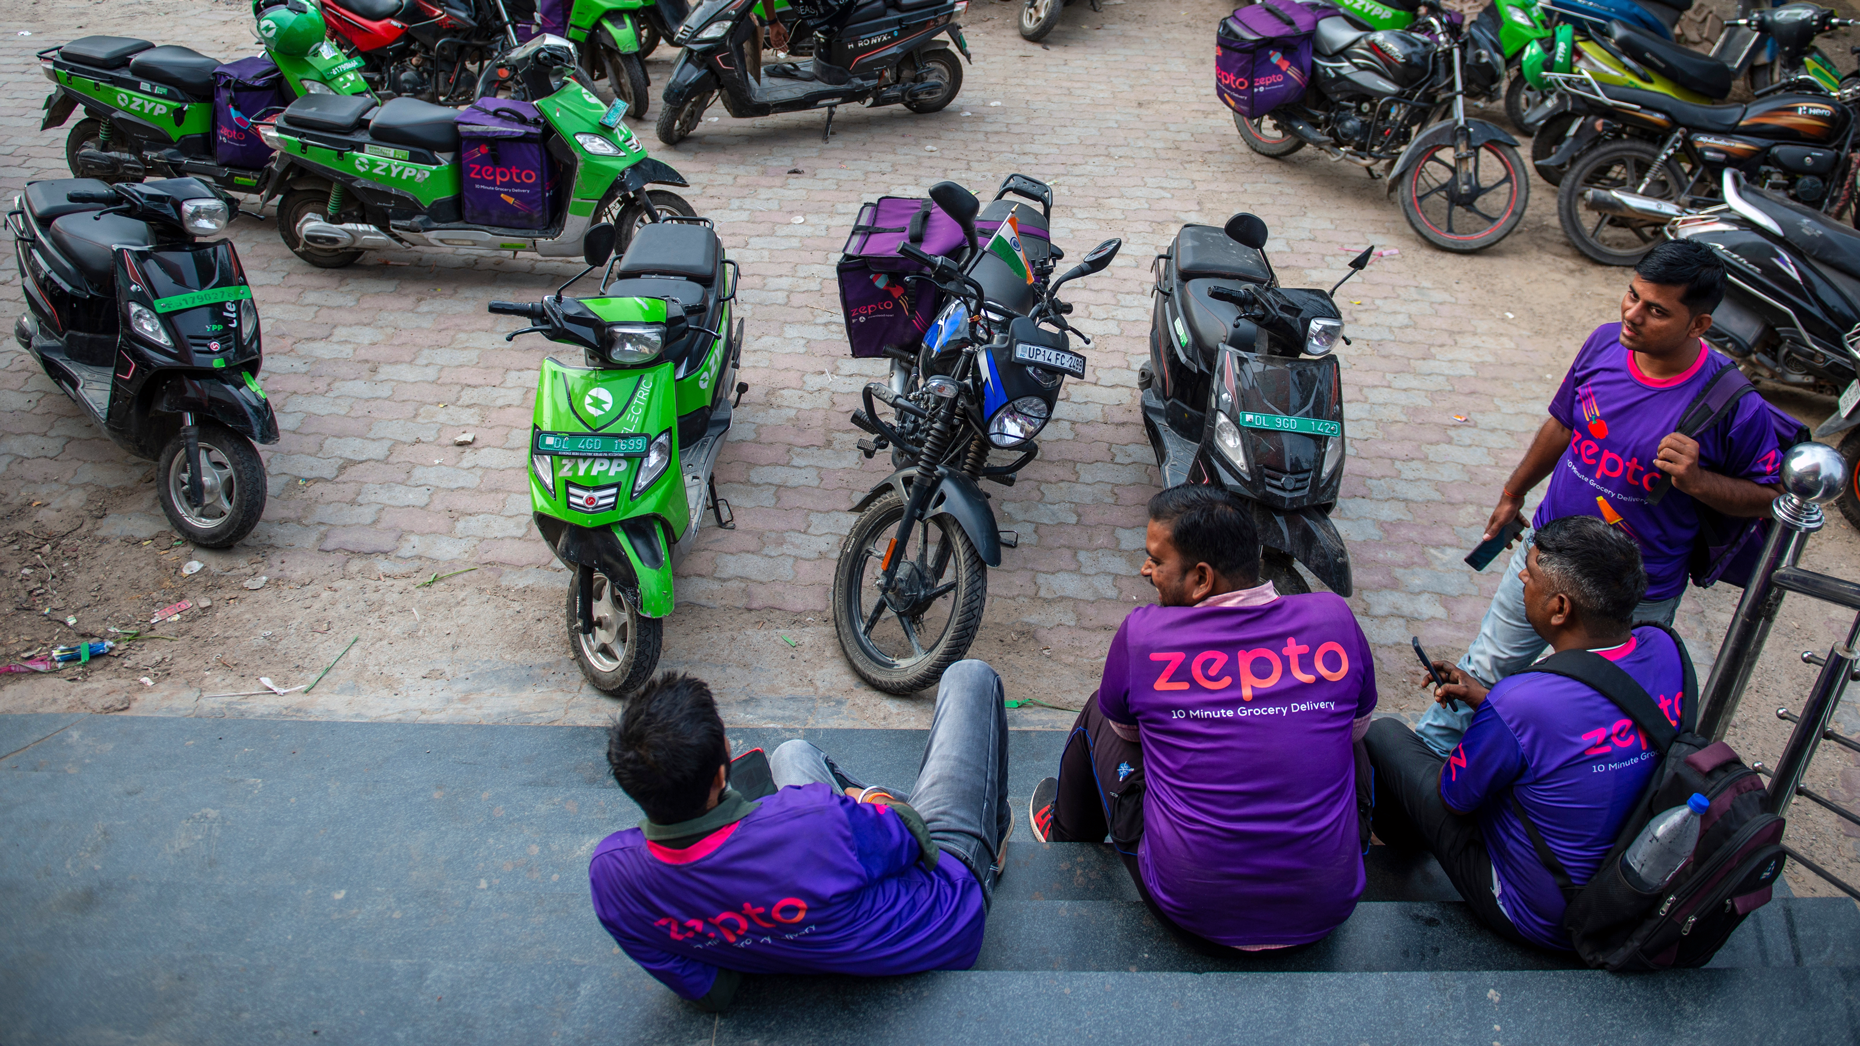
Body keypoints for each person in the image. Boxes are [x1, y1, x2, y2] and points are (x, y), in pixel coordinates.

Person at [1416, 240, 1780, 757]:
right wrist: (1512, 492)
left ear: (1699, 325)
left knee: (1601, 713)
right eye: (1632, 296)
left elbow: (1771, 495)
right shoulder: (1604, 344)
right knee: (1486, 666)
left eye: (1656, 310)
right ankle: (1423, 763)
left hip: (1634, 595)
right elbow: (1562, 425)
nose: (1632, 315)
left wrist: (1699, 481)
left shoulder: (1734, 404)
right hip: (1544, 559)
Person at [1027, 485, 1377, 951]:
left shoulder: (1144, 636)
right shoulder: (1333, 618)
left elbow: (1126, 733)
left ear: (1201, 578)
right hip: (1328, 904)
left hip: (1192, 904)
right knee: (1347, 732)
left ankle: (1070, 835)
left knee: (1099, 709)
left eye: (1156, 560)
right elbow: (1357, 729)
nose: (1145, 569)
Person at [588, 663, 1010, 1010]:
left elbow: (711, 989)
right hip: (946, 907)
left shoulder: (611, 879)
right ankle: (995, 830)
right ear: (721, 774)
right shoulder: (812, 821)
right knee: (970, 677)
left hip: (823, 895)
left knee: (791, 754)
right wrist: (867, 802)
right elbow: (914, 839)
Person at [1366, 515, 1690, 951]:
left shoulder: (1522, 701)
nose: (1522, 575)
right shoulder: (1665, 647)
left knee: (1384, 735)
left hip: (1546, 918)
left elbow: (1455, 799)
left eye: (1532, 573)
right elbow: (1583, 722)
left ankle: (1392, 853)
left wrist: (1495, 714)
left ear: (1560, 608)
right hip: (1632, 884)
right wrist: (1487, 699)